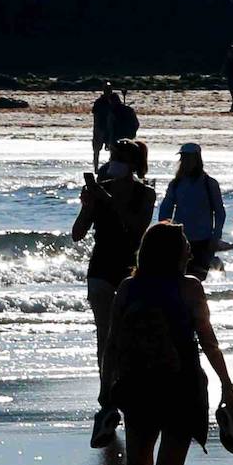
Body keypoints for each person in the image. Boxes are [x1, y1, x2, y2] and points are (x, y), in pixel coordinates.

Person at [100, 222, 233, 465]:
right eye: (185, 246)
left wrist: (106, 393)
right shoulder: (189, 288)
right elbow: (207, 339)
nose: (190, 251)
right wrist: (227, 384)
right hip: (182, 385)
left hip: (138, 385)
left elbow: (112, 344)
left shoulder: (129, 288)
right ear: (175, 253)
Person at [73, 140, 158, 389]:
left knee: (129, 331)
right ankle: (106, 388)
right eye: (112, 158)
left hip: (130, 268)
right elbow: (77, 233)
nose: (113, 164)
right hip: (100, 265)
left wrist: (109, 201)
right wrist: (87, 206)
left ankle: (127, 383)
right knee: (104, 333)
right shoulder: (99, 191)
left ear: (132, 164)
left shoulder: (145, 193)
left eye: (118, 158)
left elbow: (138, 228)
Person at [158, 143, 226, 280]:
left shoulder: (209, 184)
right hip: (179, 240)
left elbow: (220, 212)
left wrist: (215, 237)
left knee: (196, 279)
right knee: (176, 279)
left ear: (197, 159)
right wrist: (163, 235)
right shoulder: (175, 184)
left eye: (189, 158)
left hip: (203, 241)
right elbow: (165, 211)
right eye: (184, 158)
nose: (186, 162)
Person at [91, 82, 115, 170]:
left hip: (110, 128)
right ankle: (96, 168)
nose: (108, 91)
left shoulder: (113, 101)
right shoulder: (99, 102)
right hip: (100, 128)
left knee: (113, 149)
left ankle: (112, 167)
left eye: (109, 89)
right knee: (96, 150)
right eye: (107, 89)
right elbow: (95, 115)